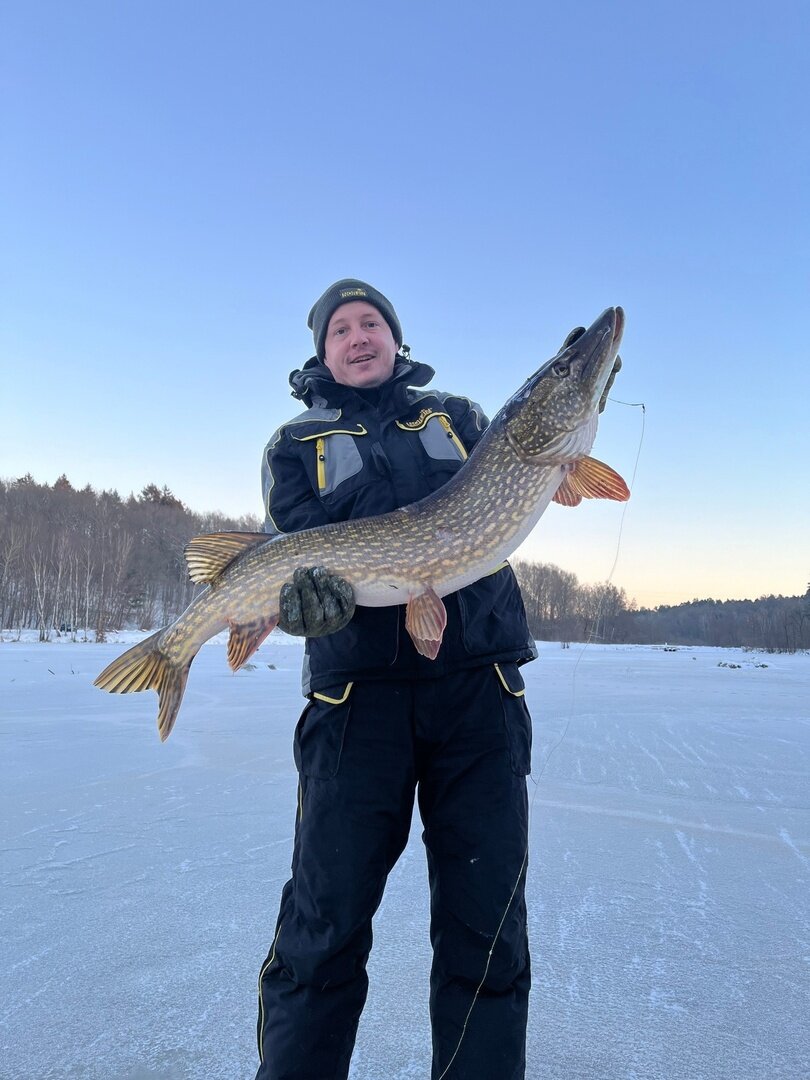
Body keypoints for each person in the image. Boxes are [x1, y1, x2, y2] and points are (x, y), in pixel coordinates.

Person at [255, 279, 539, 1080]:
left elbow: (540, 469)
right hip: (356, 705)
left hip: (478, 690)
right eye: (339, 328)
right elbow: (293, 546)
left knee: (486, 933)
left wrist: (575, 406)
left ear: (395, 338)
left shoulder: (462, 416)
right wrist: (301, 604)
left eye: (370, 321)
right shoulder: (293, 443)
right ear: (322, 352)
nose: (356, 336)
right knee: (324, 927)